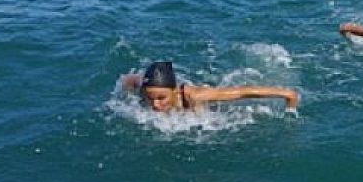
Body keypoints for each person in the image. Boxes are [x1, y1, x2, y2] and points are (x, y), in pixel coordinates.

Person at [120, 60, 299, 112]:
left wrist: (289, 96)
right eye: (150, 98)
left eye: (161, 98)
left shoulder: (195, 96)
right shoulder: (143, 88)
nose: (155, 105)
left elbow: (244, 92)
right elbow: (128, 80)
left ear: (174, 91)